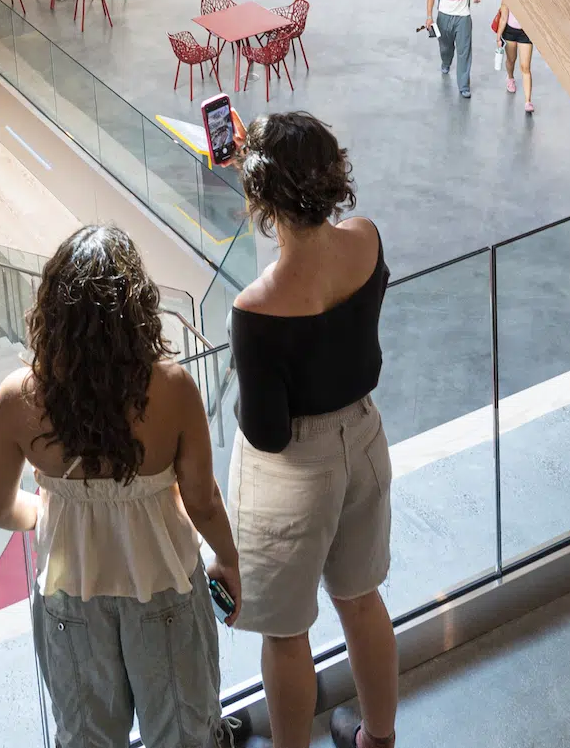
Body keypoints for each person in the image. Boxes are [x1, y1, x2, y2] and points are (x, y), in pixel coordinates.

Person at [0, 225, 246, 748]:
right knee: (183, 733)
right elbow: (202, 500)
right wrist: (229, 560)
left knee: (88, 737)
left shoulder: (16, 400)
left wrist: (51, 510)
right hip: (164, 583)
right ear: (137, 311)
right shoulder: (171, 389)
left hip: (68, 592)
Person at [226, 113, 396, 748]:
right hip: (366, 439)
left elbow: (267, 432)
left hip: (296, 473)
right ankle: (378, 739)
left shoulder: (257, 306)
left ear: (264, 200)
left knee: (287, 633)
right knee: (362, 601)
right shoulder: (367, 240)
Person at [423, 0, 481, 99]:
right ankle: (446, 62)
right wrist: (429, 16)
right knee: (446, 47)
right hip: (444, 16)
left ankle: (463, 86)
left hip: (463, 17)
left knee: (464, 51)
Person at [493, 2, 535, 114]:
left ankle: (528, 101)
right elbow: (503, 18)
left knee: (525, 67)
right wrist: (498, 38)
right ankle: (510, 78)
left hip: (526, 33)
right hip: (510, 31)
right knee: (511, 60)